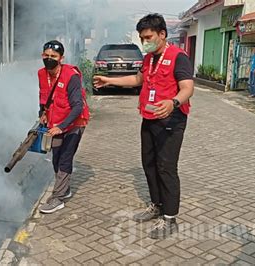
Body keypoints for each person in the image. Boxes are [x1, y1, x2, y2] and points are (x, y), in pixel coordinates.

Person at [94, 14, 194, 239]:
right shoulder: (149, 58)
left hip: (171, 120)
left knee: (166, 167)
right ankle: (156, 206)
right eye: (141, 38)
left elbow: (187, 87)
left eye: (148, 37)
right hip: (149, 118)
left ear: (162, 34)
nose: (144, 42)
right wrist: (109, 80)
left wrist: (173, 102)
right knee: (149, 164)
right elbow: (138, 80)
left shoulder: (179, 57)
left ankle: (170, 218)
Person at [37, 40, 90, 214]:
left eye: (54, 56)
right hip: (55, 123)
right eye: (47, 55)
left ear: (61, 58)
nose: (49, 59)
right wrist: (42, 113)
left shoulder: (70, 76)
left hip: (74, 123)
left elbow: (77, 106)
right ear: (42, 55)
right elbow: (43, 97)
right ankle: (64, 189)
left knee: (65, 158)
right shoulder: (41, 74)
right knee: (56, 158)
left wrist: (62, 126)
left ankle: (57, 198)